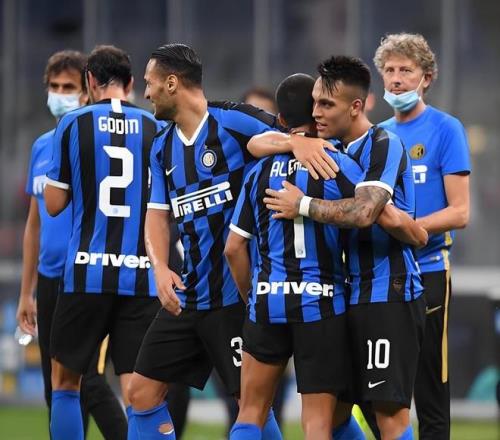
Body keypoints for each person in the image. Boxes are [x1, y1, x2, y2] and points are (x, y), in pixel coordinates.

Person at [262, 55, 427, 440]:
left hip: (387, 293)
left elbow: (365, 212)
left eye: (326, 104)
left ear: (355, 106)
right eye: (314, 102)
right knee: (335, 412)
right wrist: (292, 140)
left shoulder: (384, 144)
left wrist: (303, 205)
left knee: (388, 415)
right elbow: (255, 140)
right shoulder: (326, 147)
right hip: (342, 297)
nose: (315, 112)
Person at [126, 43, 282, 440]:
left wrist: (302, 142)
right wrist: (160, 267)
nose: (146, 92)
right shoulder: (162, 146)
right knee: (141, 393)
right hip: (188, 295)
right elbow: (157, 214)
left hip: (234, 298)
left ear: (172, 83)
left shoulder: (236, 123)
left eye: (150, 83)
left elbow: (292, 140)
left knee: (251, 405)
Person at [225, 72, 359, 440]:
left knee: (250, 413)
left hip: (268, 300)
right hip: (322, 303)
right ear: (317, 113)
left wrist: (253, 296)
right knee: (317, 423)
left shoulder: (258, 172)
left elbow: (233, 248)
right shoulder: (339, 164)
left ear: (280, 119)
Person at [44, 45, 163, 440]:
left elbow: (54, 204)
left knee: (65, 382)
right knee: (138, 392)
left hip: (87, 273)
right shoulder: (155, 127)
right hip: (142, 275)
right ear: (130, 83)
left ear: (90, 81)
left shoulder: (73, 123)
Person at [16, 49, 127, 439]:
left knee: (90, 382)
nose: (60, 94)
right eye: (55, 86)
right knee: (55, 387)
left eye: (69, 86)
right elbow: (35, 224)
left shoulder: (96, 140)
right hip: (49, 279)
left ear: (86, 90)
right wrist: (26, 292)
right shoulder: (41, 146)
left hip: (85, 275)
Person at [374, 33, 471, 440]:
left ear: (426, 78)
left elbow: (460, 211)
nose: (396, 79)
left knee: (430, 392)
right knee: (377, 392)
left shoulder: (446, 129)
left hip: (428, 270)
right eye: (389, 70)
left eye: (406, 70)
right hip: (381, 276)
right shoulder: (377, 134)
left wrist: (410, 229)